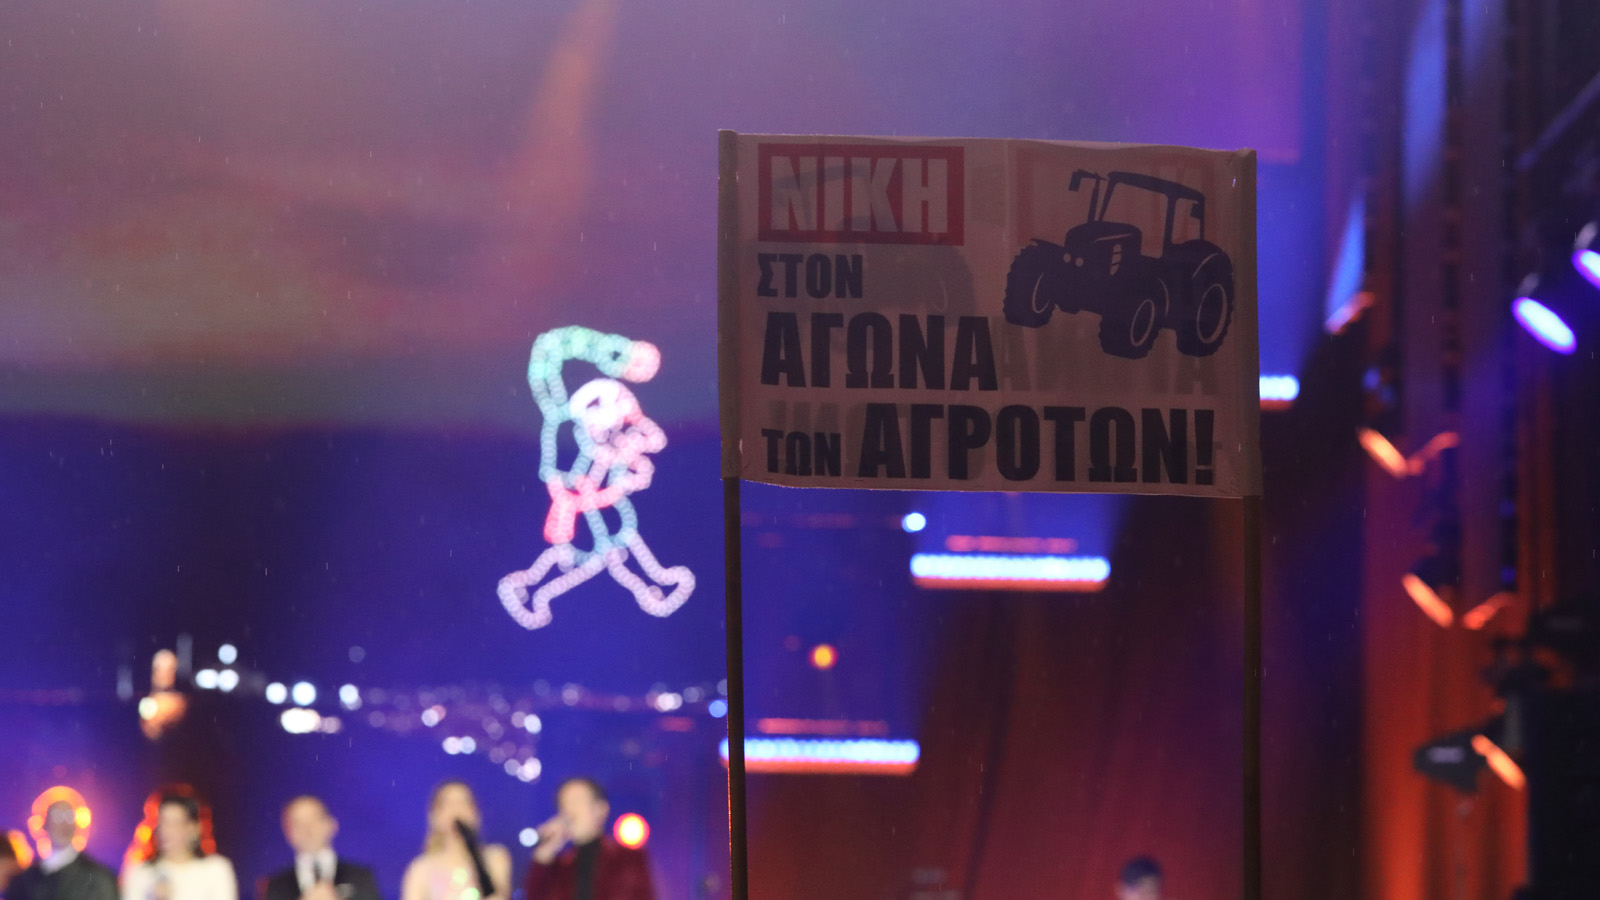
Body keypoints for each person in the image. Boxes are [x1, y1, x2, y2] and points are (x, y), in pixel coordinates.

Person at [524, 778, 654, 900]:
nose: (568, 809)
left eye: (576, 801)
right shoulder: (560, 868)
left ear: (601, 809)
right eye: (563, 803)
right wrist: (544, 853)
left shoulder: (627, 858)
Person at [399, 782, 510, 900]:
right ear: (435, 816)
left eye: (464, 802)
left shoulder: (494, 858)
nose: (457, 810)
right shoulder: (420, 869)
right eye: (449, 804)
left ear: (476, 813)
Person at [121, 794, 236, 900]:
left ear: (194, 828)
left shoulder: (215, 869)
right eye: (162, 822)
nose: (166, 831)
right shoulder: (140, 872)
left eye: (175, 823)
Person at [261, 797, 379, 900]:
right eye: (297, 823)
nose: (307, 829)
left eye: (314, 819)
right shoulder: (276, 885)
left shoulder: (361, 877)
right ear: (287, 832)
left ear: (331, 824)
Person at [9, 801, 117, 900]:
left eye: (69, 817)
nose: (64, 824)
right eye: (57, 816)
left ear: (76, 825)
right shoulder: (25, 880)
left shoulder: (96, 879)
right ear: (45, 824)